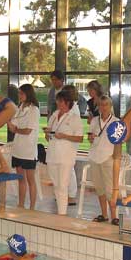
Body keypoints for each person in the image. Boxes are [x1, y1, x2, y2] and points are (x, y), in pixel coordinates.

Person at [45, 87, 84, 215]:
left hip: (66, 157)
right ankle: (60, 211)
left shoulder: (74, 118)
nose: (58, 103)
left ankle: (62, 213)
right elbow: (48, 136)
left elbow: (80, 138)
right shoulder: (54, 116)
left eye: (60, 101)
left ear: (67, 102)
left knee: (62, 185)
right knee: (56, 185)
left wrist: (64, 136)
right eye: (57, 101)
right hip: (52, 155)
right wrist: (48, 133)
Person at [8, 84, 40, 209]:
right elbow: (12, 127)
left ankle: (32, 207)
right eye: (19, 93)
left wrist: (16, 130)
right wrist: (6, 119)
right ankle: (20, 204)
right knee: (21, 179)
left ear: (28, 94)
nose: (19, 96)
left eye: (21, 93)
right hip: (18, 149)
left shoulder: (34, 110)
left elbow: (28, 130)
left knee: (31, 180)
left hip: (28, 150)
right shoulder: (19, 108)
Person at [87, 96, 118, 223]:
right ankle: (104, 214)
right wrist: (91, 138)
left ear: (110, 106)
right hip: (95, 157)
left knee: (110, 189)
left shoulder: (116, 122)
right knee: (99, 188)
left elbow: (119, 142)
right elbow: (90, 138)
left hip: (108, 157)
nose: (103, 107)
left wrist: (115, 157)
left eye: (106, 105)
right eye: (100, 105)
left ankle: (114, 216)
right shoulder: (94, 120)